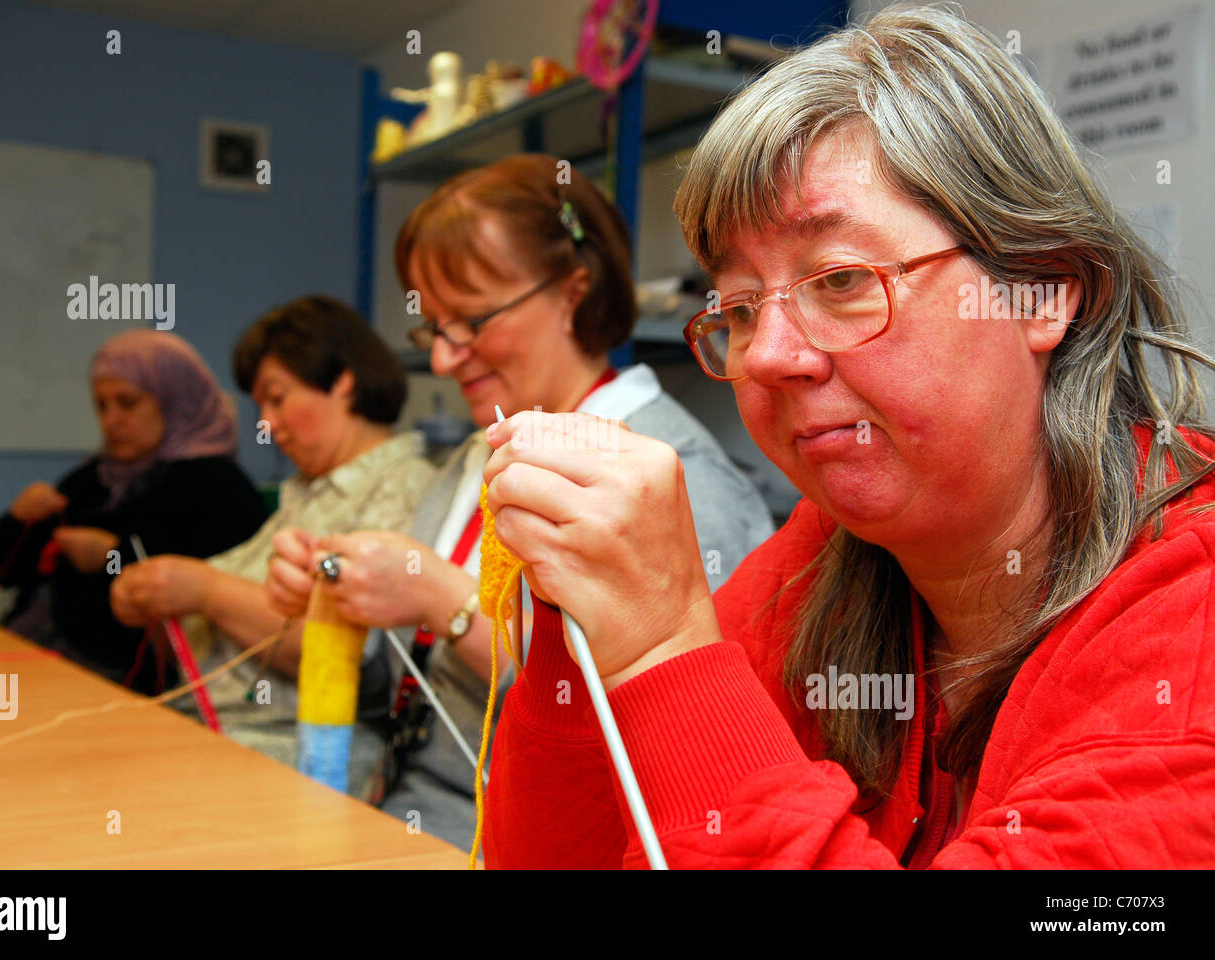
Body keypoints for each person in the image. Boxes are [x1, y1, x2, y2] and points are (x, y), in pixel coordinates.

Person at [478, 5, 1215, 868]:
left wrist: (663, 650)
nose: (769, 357)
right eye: (741, 308)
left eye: (840, 279)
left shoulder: (1189, 617)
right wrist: (586, 626)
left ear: (1042, 290)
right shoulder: (821, 560)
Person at [267, 155, 774, 847]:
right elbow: (406, 691)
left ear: (574, 291)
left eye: (471, 322)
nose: (443, 361)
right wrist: (338, 596)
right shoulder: (468, 462)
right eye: (432, 329)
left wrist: (443, 601)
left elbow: (668, 746)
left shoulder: (669, 481)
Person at [110, 296, 435, 766]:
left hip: (294, 754)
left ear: (343, 381)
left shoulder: (405, 487)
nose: (265, 423)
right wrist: (156, 594)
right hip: (223, 734)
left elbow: (359, 661)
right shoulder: (308, 494)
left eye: (277, 398)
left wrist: (206, 592)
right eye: (260, 404)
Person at [0, 329, 268, 696]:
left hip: (129, 684)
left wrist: (112, 556)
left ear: (174, 400)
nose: (111, 420)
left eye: (127, 403)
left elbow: (216, 597)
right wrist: (17, 520)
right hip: (38, 657)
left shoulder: (218, 487)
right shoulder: (91, 479)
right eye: (101, 406)